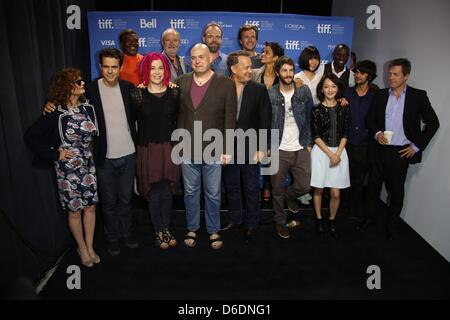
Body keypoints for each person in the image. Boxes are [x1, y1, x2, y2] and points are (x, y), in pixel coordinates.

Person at [44, 48, 139, 256]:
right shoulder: (90, 90)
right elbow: (68, 100)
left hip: (129, 153)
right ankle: (112, 237)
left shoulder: (129, 88)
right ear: (100, 66)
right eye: (106, 66)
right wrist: (51, 105)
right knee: (108, 201)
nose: (110, 71)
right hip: (103, 156)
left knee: (126, 198)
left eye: (115, 67)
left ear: (121, 67)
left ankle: (126, 232)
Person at [25, 68, 100, 267]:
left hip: (88, 165)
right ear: (67, 86)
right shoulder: (55, 112)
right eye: (78, 82)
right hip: (67, 169)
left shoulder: (87, 107)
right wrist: (55, 154)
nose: (83, 84)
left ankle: (91, 246)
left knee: (90, 207)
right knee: (75, 211)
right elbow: (31, 136)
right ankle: (82, 247)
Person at [362, 58, 439, 240]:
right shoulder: (380, 95)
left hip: (401, 153)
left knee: (396, 192)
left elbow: (433, 123)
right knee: (372, 188)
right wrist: (377, 134)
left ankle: (391, 225)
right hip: (380, 150)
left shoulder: (418, 96)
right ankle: (370, 219)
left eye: (396, 74)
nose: (391, 77)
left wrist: (416, 146)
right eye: (390, 73)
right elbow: (370, 120)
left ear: (406, 76)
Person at [177, 43, 237, 249]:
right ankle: (192, 227)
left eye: (201, 57)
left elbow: (230, 118)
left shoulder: (226, 84)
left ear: (210, 58)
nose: (197, 61)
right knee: (190, 192)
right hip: (186, 148)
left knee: (212, 193)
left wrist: (228, 149)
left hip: (214, 149)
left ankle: (213, 229)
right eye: (193, 57)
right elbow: (177, 115)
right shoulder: (181, 81)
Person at [130, 52, 180, 249]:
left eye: (161, 68)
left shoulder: (175, 92)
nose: (157, 72)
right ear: (145, 70)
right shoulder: (136, 94)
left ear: (166, 70)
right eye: (152, 68)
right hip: (148, 149)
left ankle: (166, 228)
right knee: (155, 191)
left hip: (169, 147)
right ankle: (158, 230)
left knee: (167, 191)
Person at [221, 50, 271, 242]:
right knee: (231, 185)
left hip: (251, 147)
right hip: (226, 147)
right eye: (247, 67)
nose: (251, 70)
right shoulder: (222, 87)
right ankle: (235, 219)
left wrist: (262, 146)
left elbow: (265, 120)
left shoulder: (258, 89)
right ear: (233, 68)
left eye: (251, 66)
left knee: (251, 187)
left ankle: (252, 223)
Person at [269, 56, 314, 239]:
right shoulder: (270, 94)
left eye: (290, 70)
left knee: (304, 186)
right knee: (277, 189)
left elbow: (311, 116)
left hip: (301, 146)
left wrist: (309, 143)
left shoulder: (303, 91)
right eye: (284, 70)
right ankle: (280, 221)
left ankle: (290, 196)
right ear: (278, 72)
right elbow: (264, 121)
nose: (288, 74)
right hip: (278, 148)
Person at [310, 73, 351, 239]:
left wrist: (337, 154)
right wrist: (329, 154)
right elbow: (316, 135)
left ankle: (332, 219)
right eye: (326, 86)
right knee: (318, 189)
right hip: (321, 152)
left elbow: (346, 132)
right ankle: (319, 218)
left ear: (338, 88)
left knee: (336, 193)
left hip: (340, 152)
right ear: (321, 89)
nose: (330, 90)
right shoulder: (316, 109)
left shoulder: (344, 107)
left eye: (333, 86)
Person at [343, 60, 378, 220]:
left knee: (358, 180)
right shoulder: (347, 93)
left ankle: (352, 209)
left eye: (362, 73)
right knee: (343, 177)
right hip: (347, 143)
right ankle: (341, 207)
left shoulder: (376, 96)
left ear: (369, 76)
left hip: (365, 144)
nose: (358, 75)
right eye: (356, 72)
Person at [252, 41, 284, 202]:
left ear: (276, 58)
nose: (262, 54)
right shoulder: (255, 73)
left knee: (272, 158)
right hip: (256, 122)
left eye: (266, 52)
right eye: (263, 52)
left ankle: (267, 187)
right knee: (257, 156)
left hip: (276, 123)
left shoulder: (282, 77)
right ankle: (255, 190)